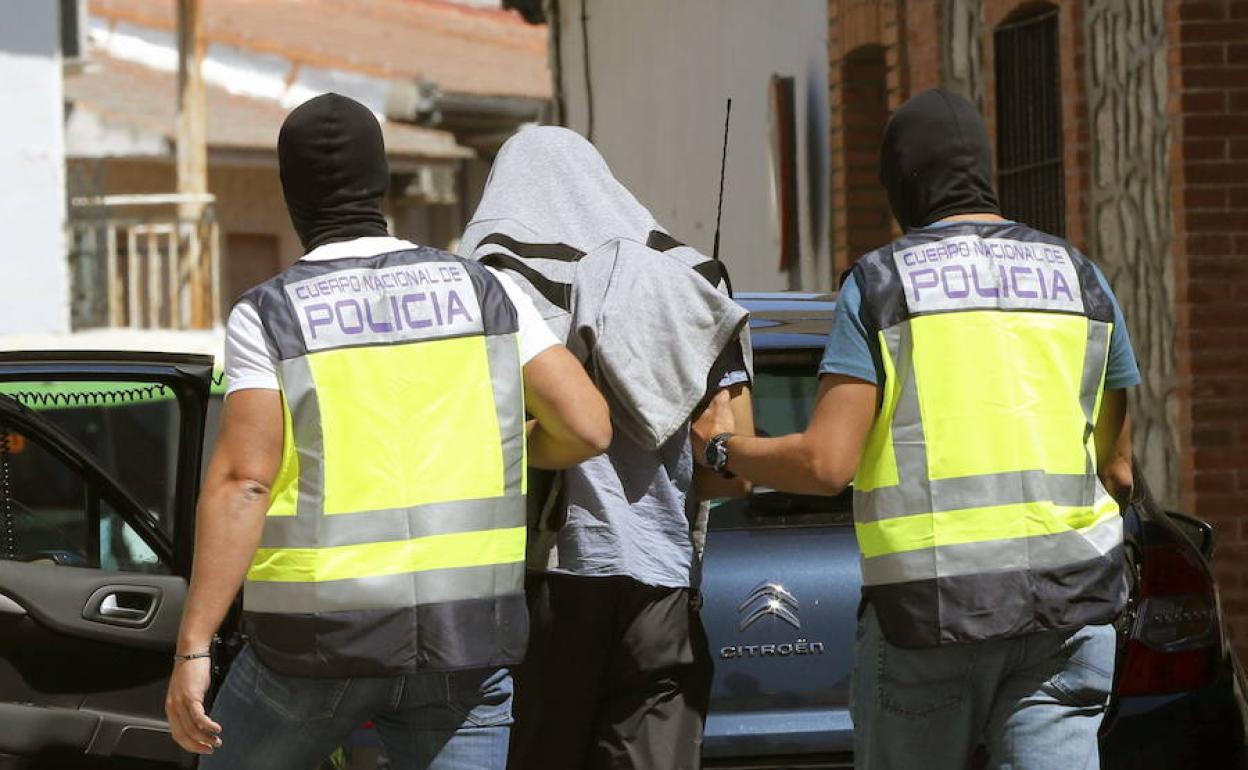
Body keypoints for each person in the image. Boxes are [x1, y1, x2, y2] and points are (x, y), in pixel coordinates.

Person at [692, 89, 1139, 770]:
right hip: (1072, 609)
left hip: (933, 616)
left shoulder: (882, 285)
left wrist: (722, 448)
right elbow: (1119, 471)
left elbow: (826, 465)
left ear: (904, 181)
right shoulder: (1082, 278)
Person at [163, 93, 612, 770]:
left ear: (292, 194)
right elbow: (587, 428)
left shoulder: (270, 314)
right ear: (380, 182)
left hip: (317, 646)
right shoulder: (485, 290)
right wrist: (509, 448)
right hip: (467, 639)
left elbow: (243, 483)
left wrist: (193, 647)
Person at [457, 126, 755, 770]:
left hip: (547, 587)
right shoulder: (692, 282)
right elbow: (730, 471)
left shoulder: (496, 283)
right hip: (663, 586)